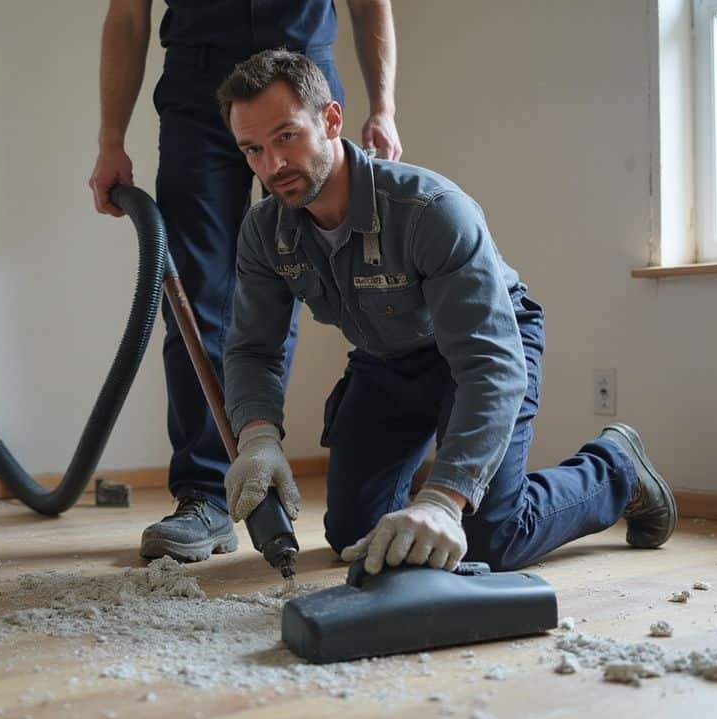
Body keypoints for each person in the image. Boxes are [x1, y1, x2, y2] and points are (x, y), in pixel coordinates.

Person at [217, 50, 678, 575]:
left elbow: (491, 365)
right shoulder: (264, 232)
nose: (271, 166)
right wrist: (257, 438)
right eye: (252, 149)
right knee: (355, 535)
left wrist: (444, 500)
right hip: (386, 358)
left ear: (330, 120)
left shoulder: (430, 211)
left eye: (286, 137)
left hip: (485, 349)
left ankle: (617, 469)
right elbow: (254, 348)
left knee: (489, 535)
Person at [88, 0, 402, 563]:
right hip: (196, 83)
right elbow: (128, 16)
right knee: (196, 295)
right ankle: (205, 496)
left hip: (300, 67)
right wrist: (111, 139)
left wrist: (384, 105)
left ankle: (264, 478)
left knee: (286, 279)